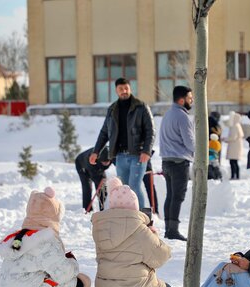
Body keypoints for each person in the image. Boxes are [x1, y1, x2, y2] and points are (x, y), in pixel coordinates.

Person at [0, 187, 91, 287]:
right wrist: (72, 260)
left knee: (33, 283)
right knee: (77, 283)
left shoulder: (18, 239)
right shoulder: (45, 240)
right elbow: (64, 273)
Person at [87, 178, 174, 287]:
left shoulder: (100, 227)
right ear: (135, 206)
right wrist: (153, 235)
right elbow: (161, 257)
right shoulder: (140, 230)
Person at [89, 77, 155, 208]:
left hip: (138, 155)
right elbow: (104, 133)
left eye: (126, 88)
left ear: (130, 88)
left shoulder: (141, 107)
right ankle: (128, 218)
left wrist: (146, 151)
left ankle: (142, 218)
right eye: (121, 89)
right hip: (120, 156)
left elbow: (151, 131)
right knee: (124, 189)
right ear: (116, 91)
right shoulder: (112, 109)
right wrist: (96, 152)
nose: (124, 91)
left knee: (134, 187)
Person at [159, 85, 195, 241]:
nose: (191, 100)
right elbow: (190, 143)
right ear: (182, 100)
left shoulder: (168, 114)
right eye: (189, 98)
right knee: (177, 197)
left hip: (166, 161)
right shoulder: (182, 116)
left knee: (170, 195)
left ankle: (169, 229)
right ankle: (172, 230)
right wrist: (202, 149)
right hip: (179, 162)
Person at [75, 146, 112, 212]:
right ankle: (87, 209)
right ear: (99, 159)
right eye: (104, 162)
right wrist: (104, 183)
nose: (106, 164)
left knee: (103, 188)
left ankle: (103, 209)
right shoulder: (92, 159)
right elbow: (95, 177)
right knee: (87, 187)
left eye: (107, 162)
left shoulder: (112, 154)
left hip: (98, 168)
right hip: (81, 164)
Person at [225, 111, 244, 180]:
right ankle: (236, 176)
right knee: (234, 162)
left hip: (234, 147)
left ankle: (234, 176)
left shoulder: (234, 126)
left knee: (233, 162)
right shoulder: (238, 125)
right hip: (235, 147)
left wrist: (225, 139)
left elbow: (233, 137)